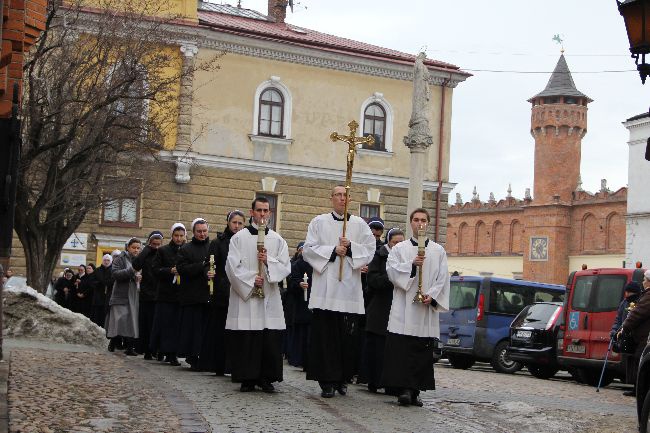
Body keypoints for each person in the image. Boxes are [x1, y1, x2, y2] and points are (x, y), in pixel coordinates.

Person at [303, 185, 376, 398]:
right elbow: (308, 250)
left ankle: (343, 378)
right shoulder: (319, 222)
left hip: (349, 291)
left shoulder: (360, 225)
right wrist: (333, 251)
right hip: (326, 289)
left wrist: (351, 247)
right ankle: (326, 380)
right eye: (338, 195)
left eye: (345, 195)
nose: (342, 199)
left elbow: (370, 250)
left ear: (350, 199)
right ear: (331, 198)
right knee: (325, 338)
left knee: (347, 338)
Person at [381, 208, 450, 407]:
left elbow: (443, 278)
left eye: (423, 220)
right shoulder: (399, 249)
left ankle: (416, 390)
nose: (420, 223)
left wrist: (433, 295)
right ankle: (403, 390)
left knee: (421, 352)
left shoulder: (438, 250)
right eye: (416, 220)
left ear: (428, 223)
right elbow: (392, 273)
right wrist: (411, 265)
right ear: (410, 223)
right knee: (402, 351)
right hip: (403, 308)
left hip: (424, 310)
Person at [225, 197, 291, 392]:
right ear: (252, 212)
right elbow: (231, 267)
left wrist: (268, 261)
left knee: (268, 338)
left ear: (269, 213)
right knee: (247, 337)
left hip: (269, 296)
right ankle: (247, 378)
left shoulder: (277, 240)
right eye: (259, 210)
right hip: (247, 297)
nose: (262, 214)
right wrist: (252, 279)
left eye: (266, 211)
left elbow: (285, 266)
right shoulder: (239, 238)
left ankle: (266, 378)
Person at [198, 210, 245, 374]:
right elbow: (208, 264)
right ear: (228, 223)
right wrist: (208, 273)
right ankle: (218, 364)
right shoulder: (218, 242)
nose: (237, 226)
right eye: (234, 223)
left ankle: (234, 365)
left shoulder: (246, 241)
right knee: (220, 330)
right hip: (221, 291)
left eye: (240, 223)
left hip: (240, 291)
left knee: (236, 332)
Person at [362, 227, 405, 394]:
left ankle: (392, 384)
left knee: (394, 350)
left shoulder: (406, 258)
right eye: (395, 243)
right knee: (377, 349)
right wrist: (392, 278)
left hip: (398, 309)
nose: (398, 246)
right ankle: (374, 381)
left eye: (401, 243)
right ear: (389, 242)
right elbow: (372, 280)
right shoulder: (379, 256)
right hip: (379, 309)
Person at [176, 218, 211, 370]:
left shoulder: (212, 247)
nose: (202, 234)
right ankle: (192, 356)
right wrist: (201, 266)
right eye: (199, 231)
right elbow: (182, 268)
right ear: (193, 232)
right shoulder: (185, 249)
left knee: (204, 330)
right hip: (191, 296)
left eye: (204, 231)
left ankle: (204, 357)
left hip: (208, 296)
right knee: (192, 330)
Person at [151, 223, 187, 366]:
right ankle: (161, 350)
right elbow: (155, 269)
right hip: (165, 294)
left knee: (176, 326)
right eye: (176, 236)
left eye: (181, 236)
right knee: (164, 324)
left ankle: (173, 353)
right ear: (172, 236)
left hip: (180, 294)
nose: (178, 239)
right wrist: (169, 271)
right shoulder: (163, 251)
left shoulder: (186, 250)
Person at [107, 238, 143, 355]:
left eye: (138, 248)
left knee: (132, 320)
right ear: (128, 247)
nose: (136, 250)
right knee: (120, 319)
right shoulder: (119, 259)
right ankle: (113, 341)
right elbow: (115, 274)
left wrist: (140, 278)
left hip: (134, 293)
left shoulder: (140, 260)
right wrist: (131, 272)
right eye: (134, 247)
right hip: (121, 293)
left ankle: (130, 347)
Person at [133, 230, 164, 360]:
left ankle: (156, 350)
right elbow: (136, 264)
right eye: (154, 244)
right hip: (146, 293)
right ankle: (146, 350)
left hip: (159, 293)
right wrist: (146, 250)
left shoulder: (163, 254)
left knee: (156, 324)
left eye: (158, 244)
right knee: (145, 324)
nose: (156, 247)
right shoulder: (145, 254)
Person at [618, 271, 650, 397]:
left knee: (640, 361)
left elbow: (637, 314)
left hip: (645, 337)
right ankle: (638, 389)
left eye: (644, 280)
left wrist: (624, 328)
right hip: (642, 336)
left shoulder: (648, 295)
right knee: (638, 360)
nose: (643, 282)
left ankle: (641, 391)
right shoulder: (645, 294)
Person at [610, 281, 642, 396]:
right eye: (626, 291)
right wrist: (614, 330)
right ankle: (634, 386)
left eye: (629, 292)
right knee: (630, 362)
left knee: (636, 361)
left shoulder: (640, 302)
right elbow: (618, 319)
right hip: (626, 336)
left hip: (637, 337)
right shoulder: (624, 303)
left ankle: (637, 388)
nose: (627, 294)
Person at [288, 241, 312, 368]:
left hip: (312, 303)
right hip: (301, 304)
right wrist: (299, 284)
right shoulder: (298, 264)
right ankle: (299, 359)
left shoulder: (316, 264)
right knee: (301, 334)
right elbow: (291, 282)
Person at [91, 255, 114, 327]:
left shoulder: (113, 270)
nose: (106, 262)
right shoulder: (97, 270)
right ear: (102, 261)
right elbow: (91, 281)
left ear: (111, 261)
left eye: (108, 260)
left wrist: (108, 283)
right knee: (97, 316)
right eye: (105, 260)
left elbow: (115, 281)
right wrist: (99, 283)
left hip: (109, 296)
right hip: (98, 296)